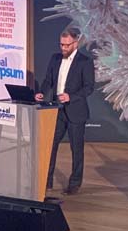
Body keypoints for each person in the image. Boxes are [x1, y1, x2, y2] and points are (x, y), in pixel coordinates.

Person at [36, 27, 95, 194]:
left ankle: (74, 184)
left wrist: (71, 96)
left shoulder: (85, 61)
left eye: (67, 45)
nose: (63, 48)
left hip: (76, 112)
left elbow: (89, 87)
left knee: (76, 149)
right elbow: (48, 80)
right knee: (50, 145)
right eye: (61, 44)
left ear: (75, 43)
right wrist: (41, 92)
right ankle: (46, 181)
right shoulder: (55, 58)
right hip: (58, 111)